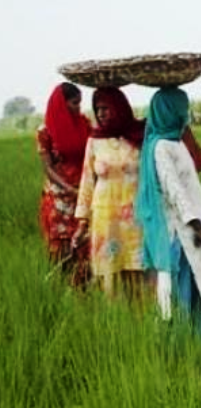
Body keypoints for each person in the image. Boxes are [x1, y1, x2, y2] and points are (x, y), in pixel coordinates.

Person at [136, 86, 201, 341]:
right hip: (179, 234)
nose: (185, 114)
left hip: (192, 231)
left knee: (200, 294)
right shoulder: (160, 147)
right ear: (169, 110)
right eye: (181, 108)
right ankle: (184, 355)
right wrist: (198, 226)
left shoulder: (176, 141)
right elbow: (174, 191)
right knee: (183, 297)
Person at [73, 87, 146, 296]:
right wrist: (82, 222)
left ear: (119, 107)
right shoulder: (94, 141)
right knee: (109, 271)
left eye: (106, 108)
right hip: (105, 217)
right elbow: (87, 181)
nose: (101, 113)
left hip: (134, 215)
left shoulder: (138, 137)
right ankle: (114, 320)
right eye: (98, 109)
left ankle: (143, 322)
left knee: (137, 267)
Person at [36, 82, 91, 286]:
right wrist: (69, 189)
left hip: (83, 194)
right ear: (62, 104)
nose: (79, 107)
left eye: (80, 103)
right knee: (62, 248)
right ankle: (60, 288)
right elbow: (48, 168)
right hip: (59, 200)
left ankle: (83, 289)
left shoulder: (84, 124)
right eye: (75, 103)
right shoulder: (45, 132)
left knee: (84, 243)